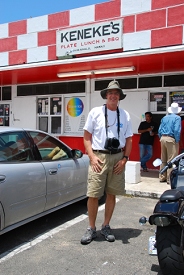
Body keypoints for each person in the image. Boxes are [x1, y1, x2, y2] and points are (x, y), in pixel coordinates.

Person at [81, 80, 133, 245]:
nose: (113, 95)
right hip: (99, 157)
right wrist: (91, 156)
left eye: (116, 93)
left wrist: (125, 159)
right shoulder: (95, 112)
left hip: (118, 158)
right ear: (106, 95)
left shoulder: (125, 115)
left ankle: (106, 225)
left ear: (119, 97)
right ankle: (91, 228)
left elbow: (129, 139)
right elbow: (86, 137)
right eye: (111, 93)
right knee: (93, 194)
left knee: (112, 193)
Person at [158, 102, 182, 184]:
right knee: (171, 160)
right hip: (171, 138)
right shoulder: (177, 118)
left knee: (163, 159)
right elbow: (176, 130)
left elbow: (159, 130)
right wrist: (177, 140)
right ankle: (169, 178)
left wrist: (161, 137)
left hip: (163, 138)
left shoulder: (164, 117)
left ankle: (162, 177)